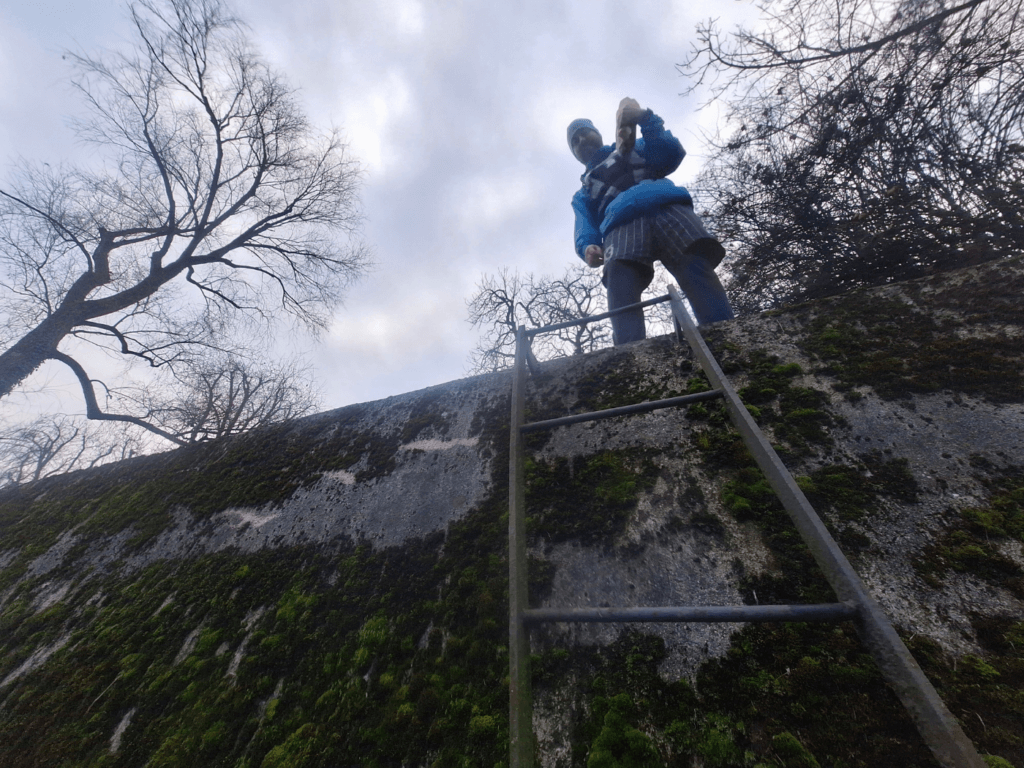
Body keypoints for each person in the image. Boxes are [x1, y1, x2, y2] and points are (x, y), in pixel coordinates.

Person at [568, 98, 734, 344]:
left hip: (666, 206)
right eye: (575, 142)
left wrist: (645, 118)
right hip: (619, 223)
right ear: (574, 155)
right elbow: (584, 223)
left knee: (696, 267)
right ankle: (628, 353)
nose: (581, 141)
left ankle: (725, 334)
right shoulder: (583, 191)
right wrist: (587, 246)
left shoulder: (635, 147)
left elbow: (670, 152)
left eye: (585, 134)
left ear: (598, 134)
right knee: (620, 279)